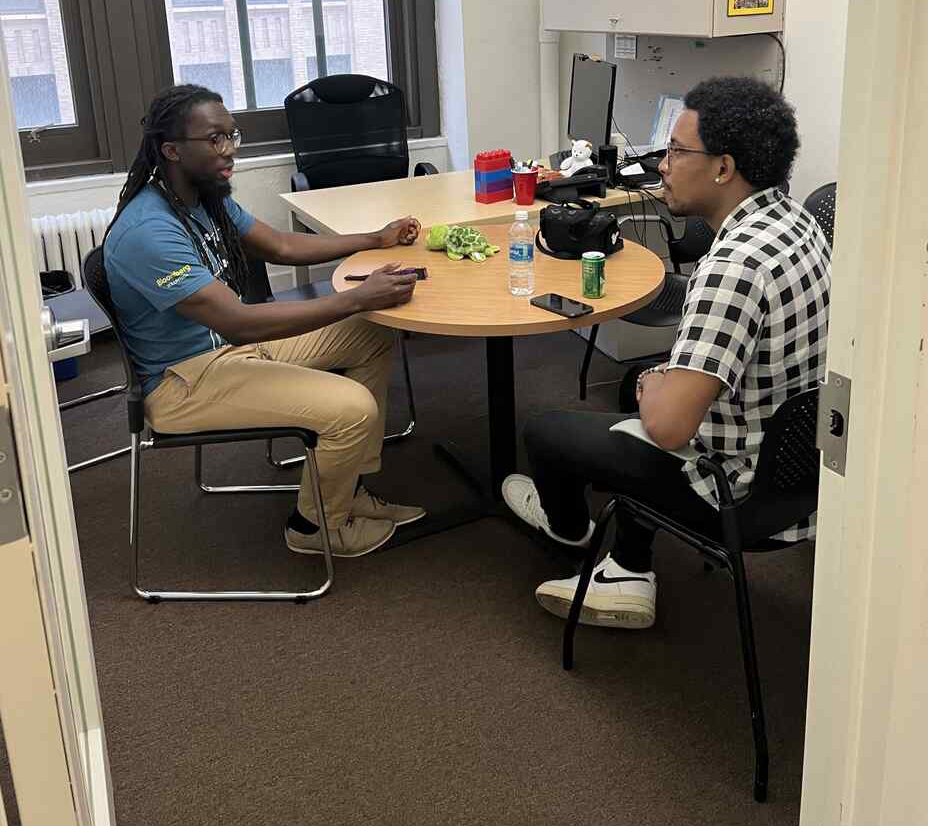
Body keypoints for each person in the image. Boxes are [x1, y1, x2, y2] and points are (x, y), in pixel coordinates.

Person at [502, 76, 830, 628]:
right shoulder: (798, 221)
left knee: (547, 429)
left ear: (723, 168)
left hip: (735, 494)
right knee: (651, 388)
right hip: (799, 481)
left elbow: (671, 428)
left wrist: (648, 385)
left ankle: (570, 532)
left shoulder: (734, 266)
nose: (662, 165)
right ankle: (628, 565)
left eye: (677, 152)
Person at [104, 83, 427, 559]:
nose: (229, 150)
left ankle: (344, 488)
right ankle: (315, 526)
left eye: (231, 136)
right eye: (214, 139)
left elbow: (281, 245)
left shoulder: (202, 198)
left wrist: (376, 239)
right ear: (171, 150)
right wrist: (356, 297)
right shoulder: (149, 230)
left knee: (370, 334)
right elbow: (238, 322)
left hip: (226, 350)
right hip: (183, 380)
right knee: (351, 406)